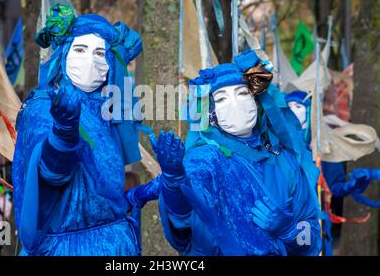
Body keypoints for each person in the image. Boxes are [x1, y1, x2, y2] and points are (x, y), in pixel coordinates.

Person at [12, 4, 159, 256]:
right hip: (67, 249)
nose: (92, 60)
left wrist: (134, 197)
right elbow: (50, 175)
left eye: (101, 53)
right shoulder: (42, 106)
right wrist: (63, 135)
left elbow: (101, 188)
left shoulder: (104, 109)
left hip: (117, 246)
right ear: (64, 54)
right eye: (81, 49)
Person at [151, 50, 322, 255]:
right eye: (222, 99)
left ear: (257, 102)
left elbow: (310, 238)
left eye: (242, 93)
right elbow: (182, 227)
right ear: (210, 113)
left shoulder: (284, 162)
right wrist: (173, 182)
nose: (235, 104)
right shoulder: (203, 161)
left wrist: (289, 230)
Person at [285, 90, 378, 255]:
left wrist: (356, 183)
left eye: (298, 106)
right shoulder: (275, 144)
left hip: (312, 217)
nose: (292, 109)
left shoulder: (323, 147)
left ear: (309, 110)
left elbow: (335, 188)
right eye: (289, 105)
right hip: (283, 218)